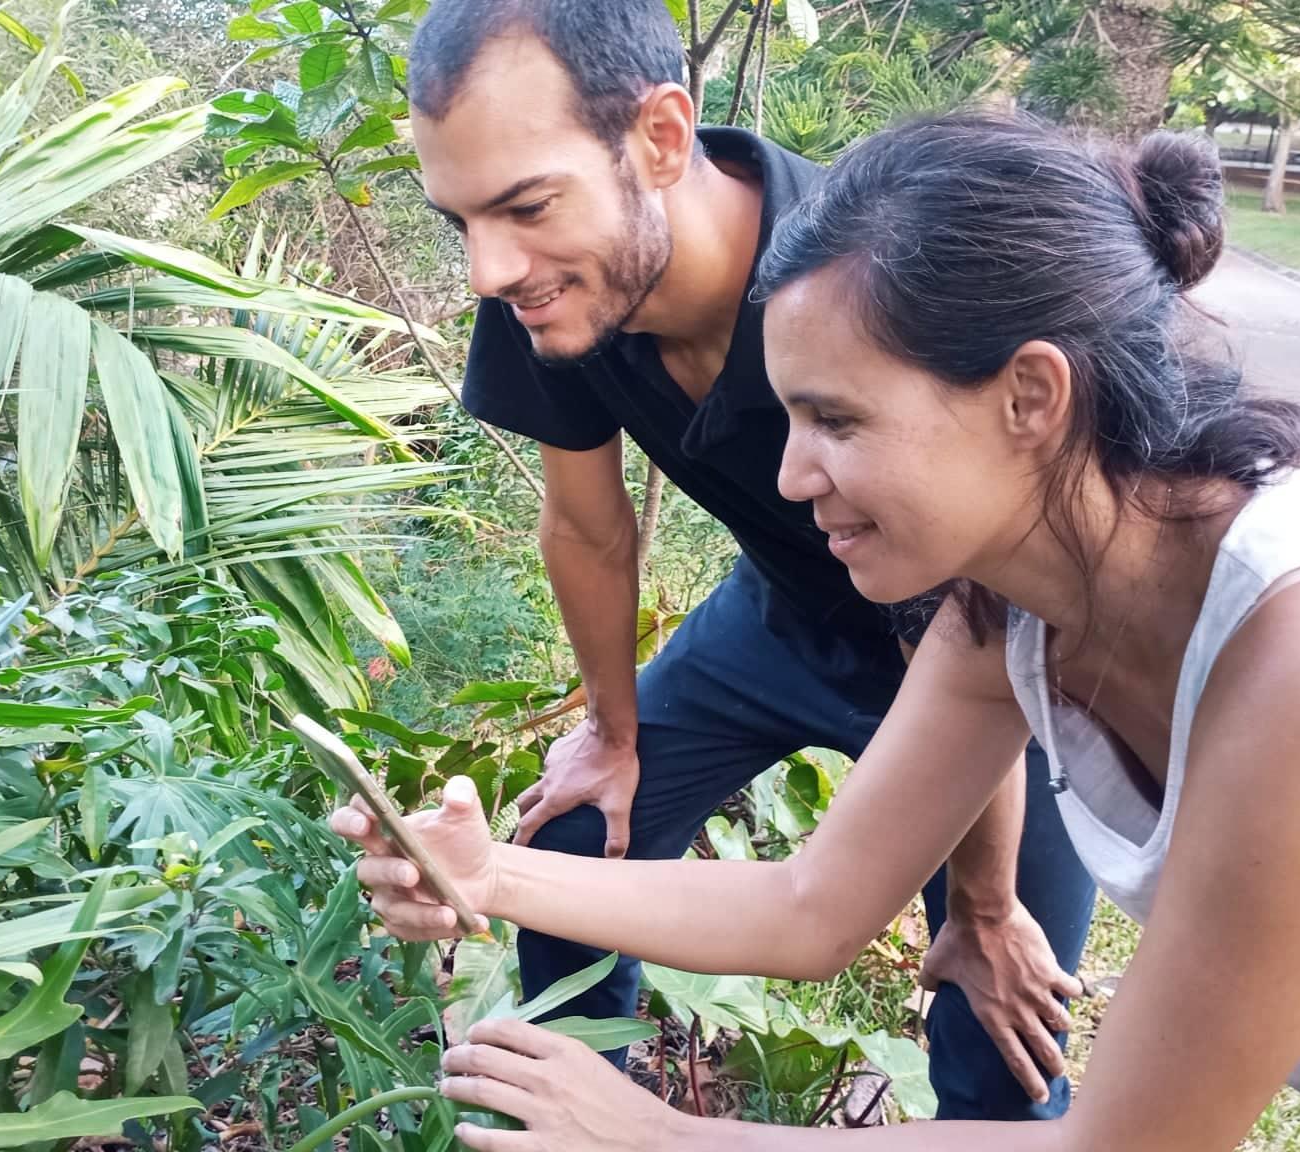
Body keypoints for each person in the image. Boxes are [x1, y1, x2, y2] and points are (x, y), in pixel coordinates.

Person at [334, 112, 1300, 1152]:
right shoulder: (1011, 615)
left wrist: (668, 1135)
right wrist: (486, 872)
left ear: (1031, 394)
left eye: (835, 421)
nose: (793, 474)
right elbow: (815, 908)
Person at [403, 0, 1099, 1120]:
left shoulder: (857, 277)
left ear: (662, 139)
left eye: (527, 204)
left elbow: (979, 598)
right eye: (462, 220)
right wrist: (610, 734)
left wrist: (981, 904)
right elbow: (587, 525)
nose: (491, 267)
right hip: (782, 621)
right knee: (578, 843)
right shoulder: (553, 286)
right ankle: (574, 1121)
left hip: (1004, 657)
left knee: (1001, 1025)